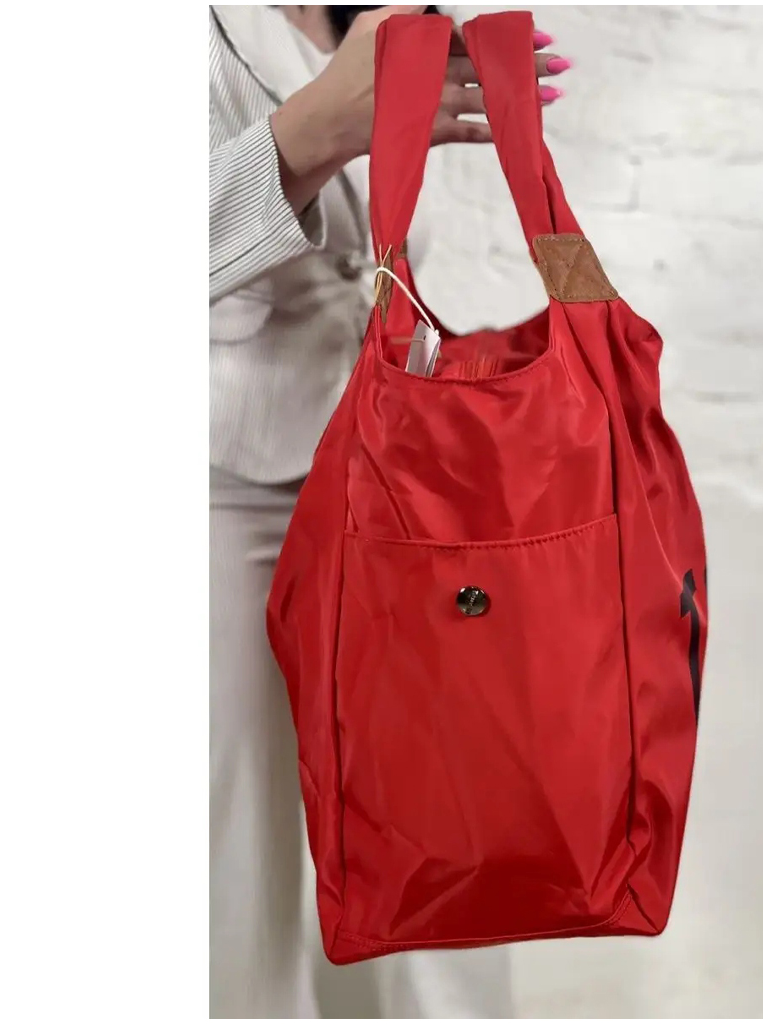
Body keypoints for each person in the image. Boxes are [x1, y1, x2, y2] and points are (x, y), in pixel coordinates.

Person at [209, 5, 570, 1017]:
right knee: (236, 861)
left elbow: (379, 264)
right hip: (220, 479)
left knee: (444, 834)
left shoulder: (376, 16)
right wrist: (309, 133)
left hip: (397, 482)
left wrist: (584, 310)